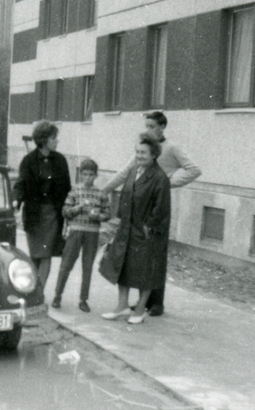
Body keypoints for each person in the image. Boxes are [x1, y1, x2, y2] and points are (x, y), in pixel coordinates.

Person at [101, 111, 201, 316]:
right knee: (139, 256)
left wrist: (166, 183)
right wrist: (105, 189)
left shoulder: (171, 148)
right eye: (146, 126)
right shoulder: (143, 149)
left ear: (162, 127)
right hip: (140, 205)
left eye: (152, 126)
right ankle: (142, 304)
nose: (148, 130)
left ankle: (156, 304)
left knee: (155, 255)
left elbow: (193, 170)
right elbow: (125, 172)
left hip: (157, 205)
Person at [98, 137, 171, 324]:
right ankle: (122, 306)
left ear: (153, 155)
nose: (139, 156)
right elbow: (125, 197)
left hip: (145, 232)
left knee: (144, 271)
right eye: (137, 152)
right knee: (123, 266)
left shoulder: (160, 178)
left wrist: (148, 228)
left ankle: (139, 310)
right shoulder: (133, 171)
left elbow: (161, 208)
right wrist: (119, 222)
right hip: (127, 229)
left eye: (143, 152)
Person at [12, 120, 72, 291]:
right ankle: (31, 288)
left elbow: (67, 187)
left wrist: (68, 209)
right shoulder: (28, 161)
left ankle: (39, 293)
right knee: (35, 256)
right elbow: (21, 184)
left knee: (45, 255)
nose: (57, 141)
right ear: (44, 139)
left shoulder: (60, 160)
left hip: (52, 214)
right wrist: (16, 200)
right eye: (54, 138)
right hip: (34, 214)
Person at [51, 159, 111, 312]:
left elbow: (108, 214)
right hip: (76, 232)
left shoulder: (101, 193)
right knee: (66, 264)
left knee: (88, 266)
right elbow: (65, 211)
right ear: (80, 175)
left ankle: (83, 299)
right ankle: (58, 295)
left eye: (91, 175)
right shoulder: (74, 191)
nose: (88, 178)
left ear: (96, 175)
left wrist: (98, 216)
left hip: (92, 233)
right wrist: (78, 208)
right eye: (85, 174)